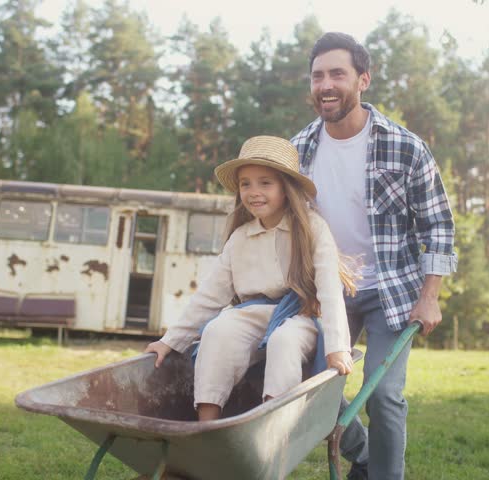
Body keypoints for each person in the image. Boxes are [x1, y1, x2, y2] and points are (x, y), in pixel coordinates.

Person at [290, 32, 458, 479]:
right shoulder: (298, 151)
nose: (326, 84)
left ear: (363, 79)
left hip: (390, 290)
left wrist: (431, 295)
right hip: (329, 289)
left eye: (337, 74)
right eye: (318, 75)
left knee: (383, 396)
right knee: (308, 383)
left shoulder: (405, 147)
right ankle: (362, 457)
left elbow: (438, 226)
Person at [144, 135, 357, 421]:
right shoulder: (240, 238)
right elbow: (210, 296)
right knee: (218, 330)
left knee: (284, 341)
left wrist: (337, 348)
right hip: (252, 313)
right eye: (246, 183)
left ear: (286, 187)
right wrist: (170, 341)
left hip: (300, 315)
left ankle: (270, 424)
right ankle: (207, 426)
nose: (254, 191)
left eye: (265, 182)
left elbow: (330, 291)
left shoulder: (311, 229)